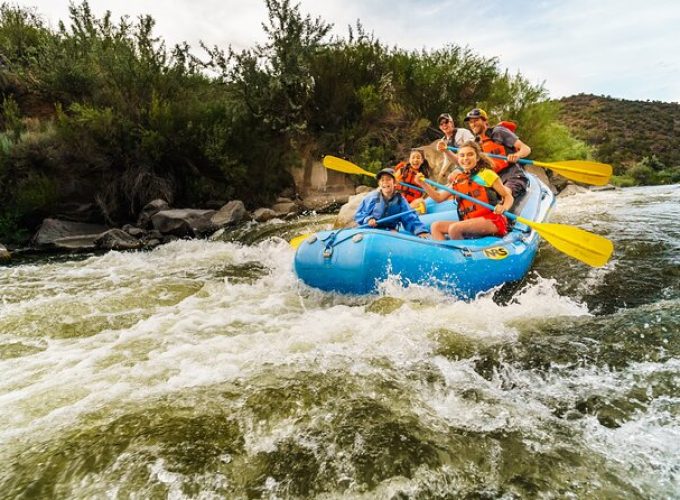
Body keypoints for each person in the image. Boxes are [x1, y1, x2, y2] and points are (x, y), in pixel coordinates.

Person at [415, 141, 513, 241]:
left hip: (492, 219)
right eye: (462, 155)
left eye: (470, 154)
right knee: (436, 226)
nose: (465, 158)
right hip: (470, 221)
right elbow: (438, 198)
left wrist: (504, 207)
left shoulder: (487, 174)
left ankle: (462, 254)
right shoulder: (459, 179)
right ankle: (447, 253)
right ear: (458, 158)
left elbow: (508, 196)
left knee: (454, 229)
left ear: (477, 158)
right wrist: (423, 184)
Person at [463, 108, 531, 200]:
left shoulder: (498, 132)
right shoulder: (476, 144)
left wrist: (517, 155)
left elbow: (526, 148)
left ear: (485, 121)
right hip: (493, 179)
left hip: (512, 175)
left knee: (505, 193)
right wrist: (446, 150)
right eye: (471, 122)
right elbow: (464, 161)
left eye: (476, 120)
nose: (473, 124)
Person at [355, 168, 430, 238]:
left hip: (389, 231)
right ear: (379, 184)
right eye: (382, 180)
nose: (385, 182)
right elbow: (359, 215)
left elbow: (409, 218)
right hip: (371, 230)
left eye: (388, 179)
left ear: (394, 183)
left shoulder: (400, 200)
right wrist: (368, 219)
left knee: (393, 232)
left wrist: (420, 231)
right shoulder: (372, 197)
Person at [435, 113, 475, 183]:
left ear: (452, 123)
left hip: (472, 162)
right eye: (441, 124)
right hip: (460, 165)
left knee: (453, 178)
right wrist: (441, 172)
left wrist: (446, 150)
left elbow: (473, 147)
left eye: (446, 122)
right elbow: (447, 159)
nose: (444, 125)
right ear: (440, 127)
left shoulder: (463, 132)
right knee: (450, 178)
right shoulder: (443, 141)